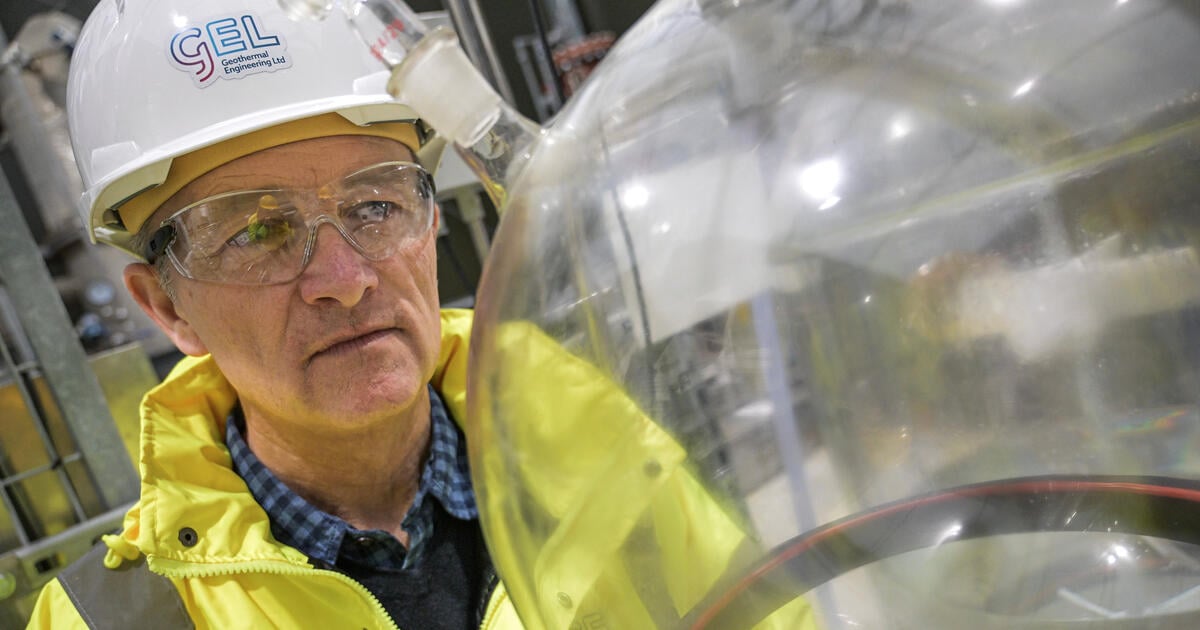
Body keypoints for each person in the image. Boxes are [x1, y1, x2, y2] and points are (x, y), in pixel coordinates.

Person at [27, 0, 817, 627]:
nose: (344, 278)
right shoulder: (114, 620)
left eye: (375, 205)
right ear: (167, 307)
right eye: (258, 232)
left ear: (431, 221)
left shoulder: (599, 442)